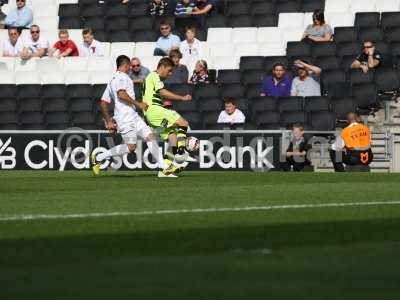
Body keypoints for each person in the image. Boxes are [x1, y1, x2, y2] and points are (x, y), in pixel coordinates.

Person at [91, 55, 171, 178]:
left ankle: (165, 169)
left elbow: (103, 102)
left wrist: (109, 121)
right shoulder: (122, 77)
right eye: (130, 66)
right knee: (131, 147)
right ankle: (99, 157)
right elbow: (121, 94)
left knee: (150, 136)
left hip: (132, 115)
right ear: (126, 65)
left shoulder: (112, 80)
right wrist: (138, 104)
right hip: (125, 118)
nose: (131, 69)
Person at [143, 57, 193, 176]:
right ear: (162, 67)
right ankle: (181, 154)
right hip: (155, 110)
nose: (170, 74)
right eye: (169, 70)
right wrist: (182, 98)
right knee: (183, 123)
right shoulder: (154, 76)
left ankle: (165, 170)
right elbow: (162, 92)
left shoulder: (153, 78)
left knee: (172, 136)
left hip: (150, 114)